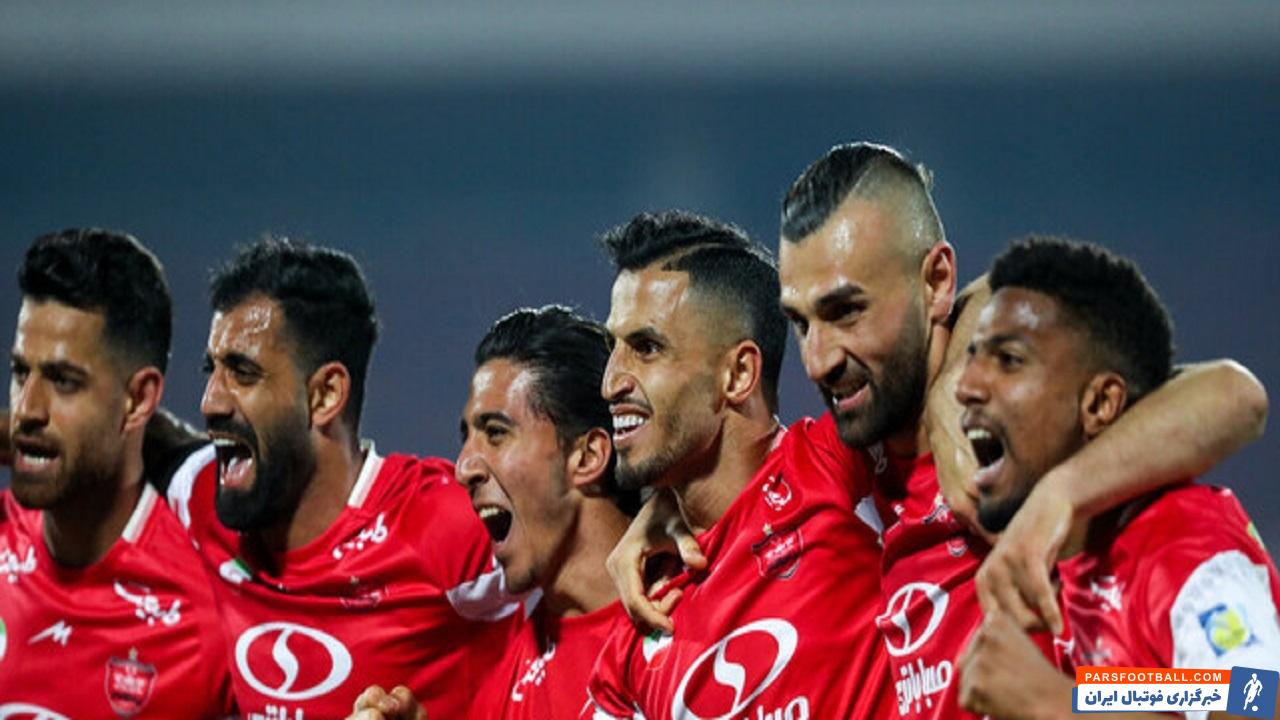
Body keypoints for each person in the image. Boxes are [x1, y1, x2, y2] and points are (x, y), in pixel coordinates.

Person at [610, 142, 1268, 719]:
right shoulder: (852, 471)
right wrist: (663, 506)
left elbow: (1249, 695)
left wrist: (1062, 698)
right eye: (803, 323)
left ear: (937, 281)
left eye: (847, 311)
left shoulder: (1041, 453)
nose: (818, 360)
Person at [162, 238, 520, 719]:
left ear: (326, 394)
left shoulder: (446, 528)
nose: (210, 401)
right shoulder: (199, 495)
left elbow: (587, 615)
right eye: (212, 370)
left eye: (243, 373)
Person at [586, 211, 898, 720]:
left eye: (646, 348)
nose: (610, 382)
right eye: (612, 348)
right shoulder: (644, 616)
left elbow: (978, 327)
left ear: (738, 373)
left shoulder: (842, 469)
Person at [955, 236, 1279, 720]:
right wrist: (1078, 697)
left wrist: (1049, 702)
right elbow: (1179, 694)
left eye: (1009, 361)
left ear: (1100, 404)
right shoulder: (1064, 567)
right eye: (974, 356)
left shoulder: (1181, 544)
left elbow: (1258, 701)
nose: (965, 387)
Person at [349, 305, 634, 719]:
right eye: (467, 438)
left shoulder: (687, 630)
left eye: (496, 433)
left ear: (587, 456)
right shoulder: (509, 658)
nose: (463, 468)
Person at [0, 229, 234, 718]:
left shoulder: (213, 610)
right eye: (21, 373)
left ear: (138, 399)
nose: (27, 410)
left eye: (64, 381)